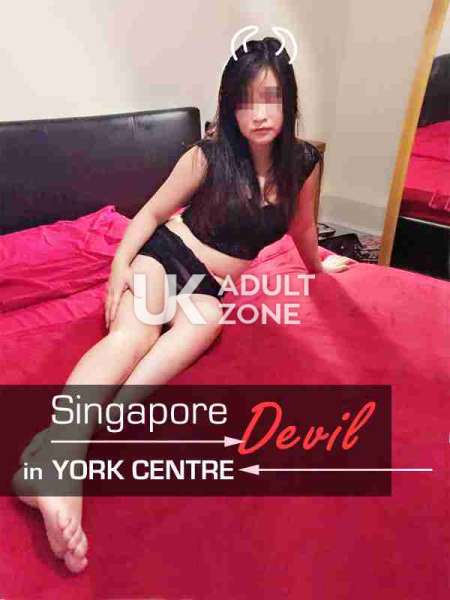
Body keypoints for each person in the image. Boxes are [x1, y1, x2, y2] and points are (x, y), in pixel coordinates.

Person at [13, 36, 352, 574]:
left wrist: (319, 266)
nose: (259, 113)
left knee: (207, 322)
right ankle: (64, 453)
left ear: (289, 99)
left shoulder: (304, 163)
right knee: (136, 335)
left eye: (270, 97)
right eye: (245, 100)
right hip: (166, 254)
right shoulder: (206, 156)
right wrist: (119, 270)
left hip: (207, 287)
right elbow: (149, 215)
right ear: (230, 105)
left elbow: (303, 228)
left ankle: (68, 444)